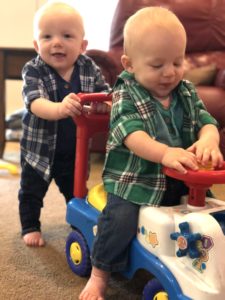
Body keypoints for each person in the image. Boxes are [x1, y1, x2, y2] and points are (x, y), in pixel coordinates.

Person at [79, 6, 223, 300]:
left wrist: (210, 140)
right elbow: (134, 136)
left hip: (180, 179)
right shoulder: (125, 94)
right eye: (157, 65)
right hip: (134, 183)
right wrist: (165, 153)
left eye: (177, 61)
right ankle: (100, 273)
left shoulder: (186, 91)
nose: (169, 72)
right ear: (129, 64)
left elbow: (207, 121)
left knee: (214, 215)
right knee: (120, 219)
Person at [19, 1, 110, 247]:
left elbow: (105, 95)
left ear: (82, 46)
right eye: (47, 36)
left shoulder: (89, 68)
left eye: (67, 36)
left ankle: (78, 222)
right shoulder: (34, 70)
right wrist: (60, 108)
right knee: (31, 191)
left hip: (74, 151)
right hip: (39, 152)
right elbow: (35, 103)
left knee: (77, 190)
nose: (56, 42)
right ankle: (30, 225)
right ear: (37, 45)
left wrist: (103, 105)